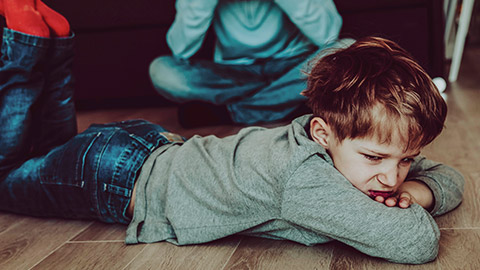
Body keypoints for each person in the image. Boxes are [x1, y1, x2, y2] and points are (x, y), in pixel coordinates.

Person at [0, 2, 464, 265]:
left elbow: (449, 177)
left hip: (145, 148)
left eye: (405, 160)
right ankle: (25, 44)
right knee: (7, 178)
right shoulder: (307, 179)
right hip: (116, 178)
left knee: (46, 152)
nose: (391, 177)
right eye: (376, 159)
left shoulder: (352, 144)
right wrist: (408, 203)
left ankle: (54, 42)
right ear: (322, 131)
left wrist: (417, 191)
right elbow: (414, 243)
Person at [149, 0, 343, 127]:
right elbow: (181, 49)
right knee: (163, 72)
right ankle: (289, 102)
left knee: (344, 49)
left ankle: (233, 113)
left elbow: (330, 35)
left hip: (294, 67)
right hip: (235, 72)